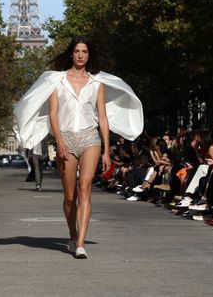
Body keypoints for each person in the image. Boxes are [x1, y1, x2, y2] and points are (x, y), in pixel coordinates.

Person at [14, 37, 143, 259]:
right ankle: (73, 235)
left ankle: (81, 243)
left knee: (85, 188)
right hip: (66, 138)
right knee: (69, 195)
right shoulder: (58, 81)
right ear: (71, 54)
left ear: (89, 55)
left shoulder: (97, 83)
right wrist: (60, 142)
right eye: (77, 51)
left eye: (84, 51)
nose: (81, 55)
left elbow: (102, 117)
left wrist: (105, 149)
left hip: (90, 137)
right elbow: (53, 113)